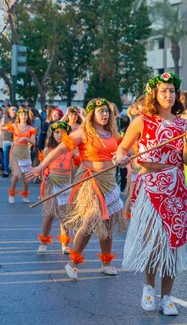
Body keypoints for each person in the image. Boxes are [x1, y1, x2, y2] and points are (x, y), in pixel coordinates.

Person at [116, 72, 187, 316]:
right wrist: (120, 156)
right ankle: (149, 288)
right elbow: (123, 147)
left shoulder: (183, 124)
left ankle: (167, 297)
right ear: (154, 94)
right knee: (154, 242)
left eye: (172, 91)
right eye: (163, 91)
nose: (169, 95)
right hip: (151, 188)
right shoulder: (142, 121)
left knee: (173, 244)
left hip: (175, 187)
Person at [27, 98, 127, 280]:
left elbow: (124, 149)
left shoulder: (112, 133)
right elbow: (60, 150)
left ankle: (106, 262)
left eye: (107, 111)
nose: (105, 115)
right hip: (90, 180)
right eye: (101, 111)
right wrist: (41, 167)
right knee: (90, 220)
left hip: (110, 181)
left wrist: (126, 158)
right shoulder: (83, 133)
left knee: (107, 223)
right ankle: (73, 262)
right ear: (91, 115)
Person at [36, 121, 76, 254]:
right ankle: (43, 242)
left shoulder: (71, 149)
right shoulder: (48, 150)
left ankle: (65, 244)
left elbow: (77, 163)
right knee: (50, 214)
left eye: (62, 132)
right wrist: (44, 176)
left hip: (66, 184)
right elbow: (43, 169)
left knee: (65, 216)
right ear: (52, 134)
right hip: (52, 184)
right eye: (57, 132)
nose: (59, 135)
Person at [6, 108, 37, 204]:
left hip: (25, 152)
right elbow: (2, 129)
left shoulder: (31, 129)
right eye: (22, 114)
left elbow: (33, 142)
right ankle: (11, 194)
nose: (24, 116)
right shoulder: (14, 126)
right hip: (15, 151)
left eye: (26, 114)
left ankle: (25, 195)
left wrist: (24, 138)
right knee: (15, 174)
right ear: (18, 116)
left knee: (25, 177)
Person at [0, 106, 17, 178]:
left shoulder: (17, 119)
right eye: (13, 109)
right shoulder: (5, 118)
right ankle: (6, 171)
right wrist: (1, 133)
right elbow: (0, 126)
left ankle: (14, 171)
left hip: (14, 140)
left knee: (13, 157)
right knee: (5, 157)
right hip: (6, 139)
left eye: (15, 109)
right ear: (9, 111)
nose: (14, 111)